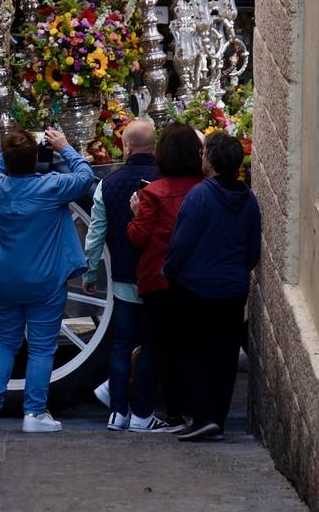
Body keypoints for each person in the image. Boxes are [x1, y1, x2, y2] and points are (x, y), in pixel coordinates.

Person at [0, 127, 94, 433]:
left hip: (2, 278)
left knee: (4, 342)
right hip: (44, 279)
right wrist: (64, 146)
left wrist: (11, 149)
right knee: (42, 349)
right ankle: (34, 413)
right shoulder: (52, 186)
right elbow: (85, 176)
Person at [164, 131, 261, 442]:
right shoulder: (248, 199)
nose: (200, 157)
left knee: (185, 348)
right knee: (224, 353)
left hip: (196, 285)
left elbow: (182, 241)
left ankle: (203, 415)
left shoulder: (200, 195)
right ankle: (216, 418)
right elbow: (252, 250)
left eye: (204, 153)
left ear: (211, 161)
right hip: (233, 288)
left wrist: (170, 270)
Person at [81, 120, 174, 433]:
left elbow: (96, 234)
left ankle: (118, 412)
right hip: (159, 279)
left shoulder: (108, 184)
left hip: (123, 277)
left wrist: (91, 271)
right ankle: (142, 413)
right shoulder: (166, 182)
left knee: (121, 345)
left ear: (126, 147)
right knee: (151, 345)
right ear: (154, 146)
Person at [126, 121, 206, 432]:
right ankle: (182, 410)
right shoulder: (203, 189)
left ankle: (143, 411)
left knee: (156, 345)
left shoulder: (154, 192)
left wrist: (135, 216)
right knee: (187, 346)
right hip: (192, 279)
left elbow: (138, 237)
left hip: (156, 279)